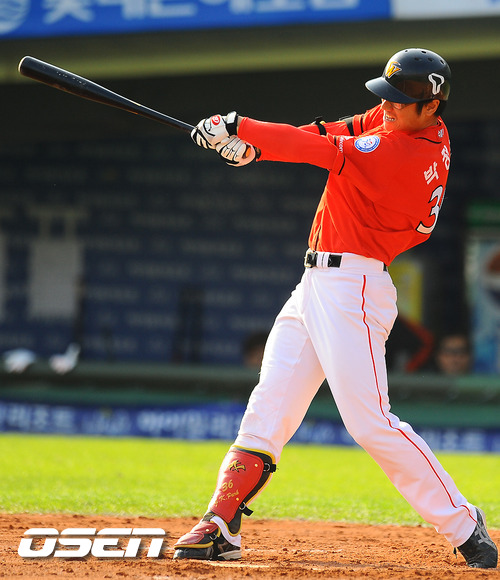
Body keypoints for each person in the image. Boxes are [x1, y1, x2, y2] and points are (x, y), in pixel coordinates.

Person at [172, 48, 498, 569]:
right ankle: (221, 524)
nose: (387, 106)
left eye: (401, 100)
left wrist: (240, 126)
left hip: (354, 286)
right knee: (269, 405)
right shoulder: (405, 124)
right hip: (317, 282)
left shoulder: (406, 151)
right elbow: (328, 131)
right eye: (387, 97)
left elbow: (321, 151)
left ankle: (463, 521)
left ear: (433, 105)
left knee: (370, 422)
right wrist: (251, 148)